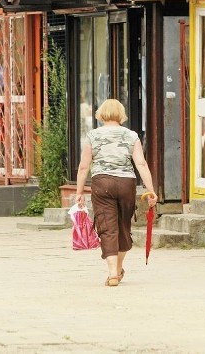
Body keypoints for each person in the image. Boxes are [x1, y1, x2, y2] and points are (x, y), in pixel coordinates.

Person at [74, 99, 158, 287]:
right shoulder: (131, 135)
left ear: (101, 113)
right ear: (121, 114)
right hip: (126, 183)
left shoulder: (93, 135)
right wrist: (151, 190)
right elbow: (141, 164)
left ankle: (113, 273)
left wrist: (79, 191)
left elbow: (84, 166)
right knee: (123, 226)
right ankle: (118, 269)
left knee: (107, 227)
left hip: (101, 182)